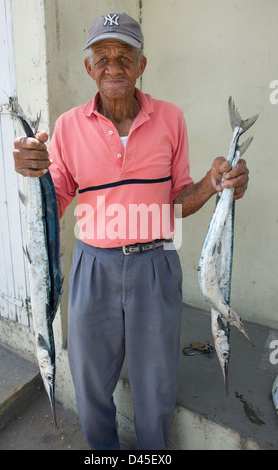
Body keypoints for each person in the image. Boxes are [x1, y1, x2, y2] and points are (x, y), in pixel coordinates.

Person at [13, 13, 249, 450]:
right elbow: (55, 203)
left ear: (142, 65)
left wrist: (215, 184)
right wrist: (32, 174)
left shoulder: (170, 119)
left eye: (125, 56)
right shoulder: (66, 127)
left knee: (156, 383)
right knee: (89, 380)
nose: (113, 66)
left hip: (156, 265)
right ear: (89, 68)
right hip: (92, 267)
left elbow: (177, 198)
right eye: (102, 57)